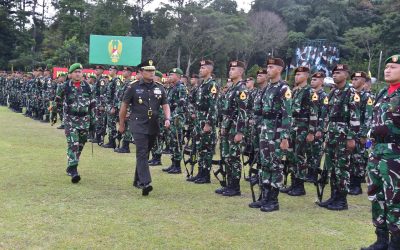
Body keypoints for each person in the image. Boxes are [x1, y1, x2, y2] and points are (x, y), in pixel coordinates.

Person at [362, 55, 400, 250]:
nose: (387, 70)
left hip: (395, 155)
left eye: (393, 67)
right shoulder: (383, 92)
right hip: (377, 153)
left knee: (395, 199)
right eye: (386, 67)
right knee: (377, 198)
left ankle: (395, 243)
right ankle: (381, 240)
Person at [119, 59, 171, 196]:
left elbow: (165, 104)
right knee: (141, 152)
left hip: (153, 124)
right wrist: (122, 123)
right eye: (148, 70)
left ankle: (137, 180)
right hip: (137, 123)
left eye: (152, 70)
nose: (151, 72)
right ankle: (145, 183)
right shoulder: (133, 87)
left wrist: (167, 118)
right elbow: (124, 106)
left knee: (146, 152)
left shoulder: (160, 87)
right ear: (141, 72)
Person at [319, 64, 360, 211]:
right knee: (332, 167)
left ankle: (342, 200)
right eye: (334, 73)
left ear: (346, 75)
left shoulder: (351, 93)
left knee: (342, 168)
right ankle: (333, 196)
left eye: (338, 72)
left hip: (344, 136)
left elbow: (355, 118)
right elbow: (328, 115)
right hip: (332, 134)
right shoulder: (333, 92)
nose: (335, 75)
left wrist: (351, 138)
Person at [257, 58, 292, 212]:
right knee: (265, 164)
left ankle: (273, 200)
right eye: (267, 67)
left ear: (279, 69)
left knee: (275, 165)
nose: (268, 70)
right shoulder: (267, 88)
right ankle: (264, 196)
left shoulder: (284, 88)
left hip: (277, 133)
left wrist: (285, 137)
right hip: (265, 130)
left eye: (271, 67)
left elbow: (287, 114)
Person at [54, 63, 95, 183]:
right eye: (75, 72)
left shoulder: (88, 87)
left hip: (85, 120)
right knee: (73, 144)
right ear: (70, 74)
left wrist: (93, 121)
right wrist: (54, 115)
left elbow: (92, 105)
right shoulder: (64, 86)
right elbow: (57, 101)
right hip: (70, 119)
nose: (78, 74)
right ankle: (74, 171)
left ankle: (70, 165)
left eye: (80, 72)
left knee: (81, 144)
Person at [281, 66, 317, 196]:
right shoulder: (295, 91)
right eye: (296, 75)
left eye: (300, 75)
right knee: (291, 156)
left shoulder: (310, 92)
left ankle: (300, 186)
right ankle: (293, 183)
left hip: (303, 127)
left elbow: (314, 114)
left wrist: (311, 131)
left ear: (306, 76)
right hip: (293, 126)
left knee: (300, 156)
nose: (297, 77)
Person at [217, 60, 248, 197]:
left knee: (234, 158)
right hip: (227, 127)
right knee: (227, 157)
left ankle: (235, 187)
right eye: (230, 68)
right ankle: (229, 184)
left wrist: (240, 131)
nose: (230, 70)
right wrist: (224, 126)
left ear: (240, 72)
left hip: (235, 129)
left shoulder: (242, 89)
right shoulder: (232, 88)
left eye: (234, 69)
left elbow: (243, 112)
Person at [190, 60, 219, 184]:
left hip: (206, 119)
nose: (200, 70)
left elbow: (213, 106)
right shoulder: (202, 84)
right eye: (200, 67)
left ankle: (205, 175)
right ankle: (200, 172)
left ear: (209, 70)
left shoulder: (212, 85)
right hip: (199, 119)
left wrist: (209, 123)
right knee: (200, 148)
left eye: (203, 68)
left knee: (206, 148)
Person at [103, 65, 121, 149]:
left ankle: (112, 142)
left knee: (112, 124)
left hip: (112, 106)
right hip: (108, 105)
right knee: (110, 124)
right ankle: (111, 141)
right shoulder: (111, 81)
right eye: (109, 69)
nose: (109, 71)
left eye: (111, 70)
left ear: (115, 71)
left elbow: (117, 94)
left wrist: (114, 107)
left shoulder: (117, 81)